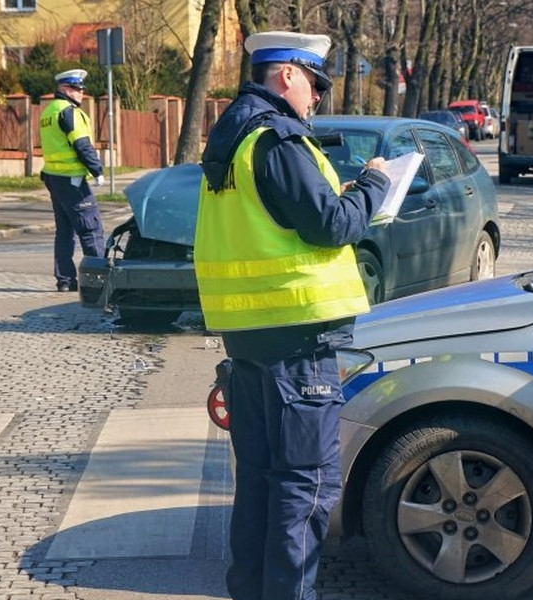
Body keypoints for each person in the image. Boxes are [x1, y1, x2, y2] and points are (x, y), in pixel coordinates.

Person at [194, 30, 391, 600]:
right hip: (298, 347)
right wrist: (376, 184)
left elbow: (286, 218)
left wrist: (344, 194)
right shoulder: (277, 139)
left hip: (251, 343)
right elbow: (331, 225)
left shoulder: (233, 140)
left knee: (259, 485)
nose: (317, 98)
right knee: (304, 492)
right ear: (286, 75)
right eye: (314, 83)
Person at [39, 68, 105, 292]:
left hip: (54, 177)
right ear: (65, 89)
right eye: (77, 89)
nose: (81, 94)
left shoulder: (49, 111)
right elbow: (82, 144)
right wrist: (97, 170)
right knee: (90, 228)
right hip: (72, 179)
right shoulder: (69, 112)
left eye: (81, 89)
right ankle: (99, 281)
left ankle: (66, 280)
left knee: (65, 231)